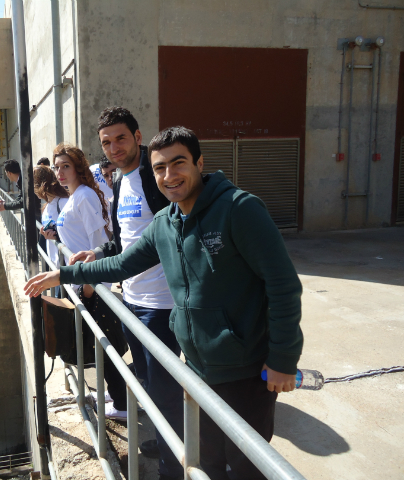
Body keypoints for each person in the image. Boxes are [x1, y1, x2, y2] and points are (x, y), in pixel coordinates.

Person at [25, 126, 304, 480]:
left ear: (199, 162)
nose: (169, 176)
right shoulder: (165, 223)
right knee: (207, 460)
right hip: (198, 369)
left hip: (246, 368)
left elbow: (283, 286)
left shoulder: (239, 209)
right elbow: (122, 262)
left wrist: (283, 359)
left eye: (179, 163)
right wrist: (63, 275)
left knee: (248, 465)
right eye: (159, 168)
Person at [71, 106, 182, 480]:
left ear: (137, 136)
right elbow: (124, 241)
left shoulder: (156, 178)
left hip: (163, 304)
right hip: (132, 300)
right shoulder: (119, 180)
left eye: (121, 138)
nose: (114, 147)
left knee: (166, 391)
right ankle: (166, 442)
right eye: (106, 142)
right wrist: (99, 253)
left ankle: (173, 465)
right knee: (150, 385)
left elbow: (181, 233)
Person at [52, 143, 128, 420]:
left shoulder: (83, 196)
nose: (60, 172)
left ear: (78, 167)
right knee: (101, 343)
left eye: (66, 166)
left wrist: (88, 285)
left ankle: (122, 405)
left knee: (107, 344)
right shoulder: (75, 196)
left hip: (92, 284)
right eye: (56, 167)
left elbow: (100, 242)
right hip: (84, 283)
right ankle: (115, 394)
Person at [33, 165, 69, 270]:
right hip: (54, 265)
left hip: (65, 266)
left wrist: (56, 235)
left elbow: (74, 232)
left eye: (34, 187)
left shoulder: (63, 203)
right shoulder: (47, 206)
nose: (34, 191)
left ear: (41, 185)